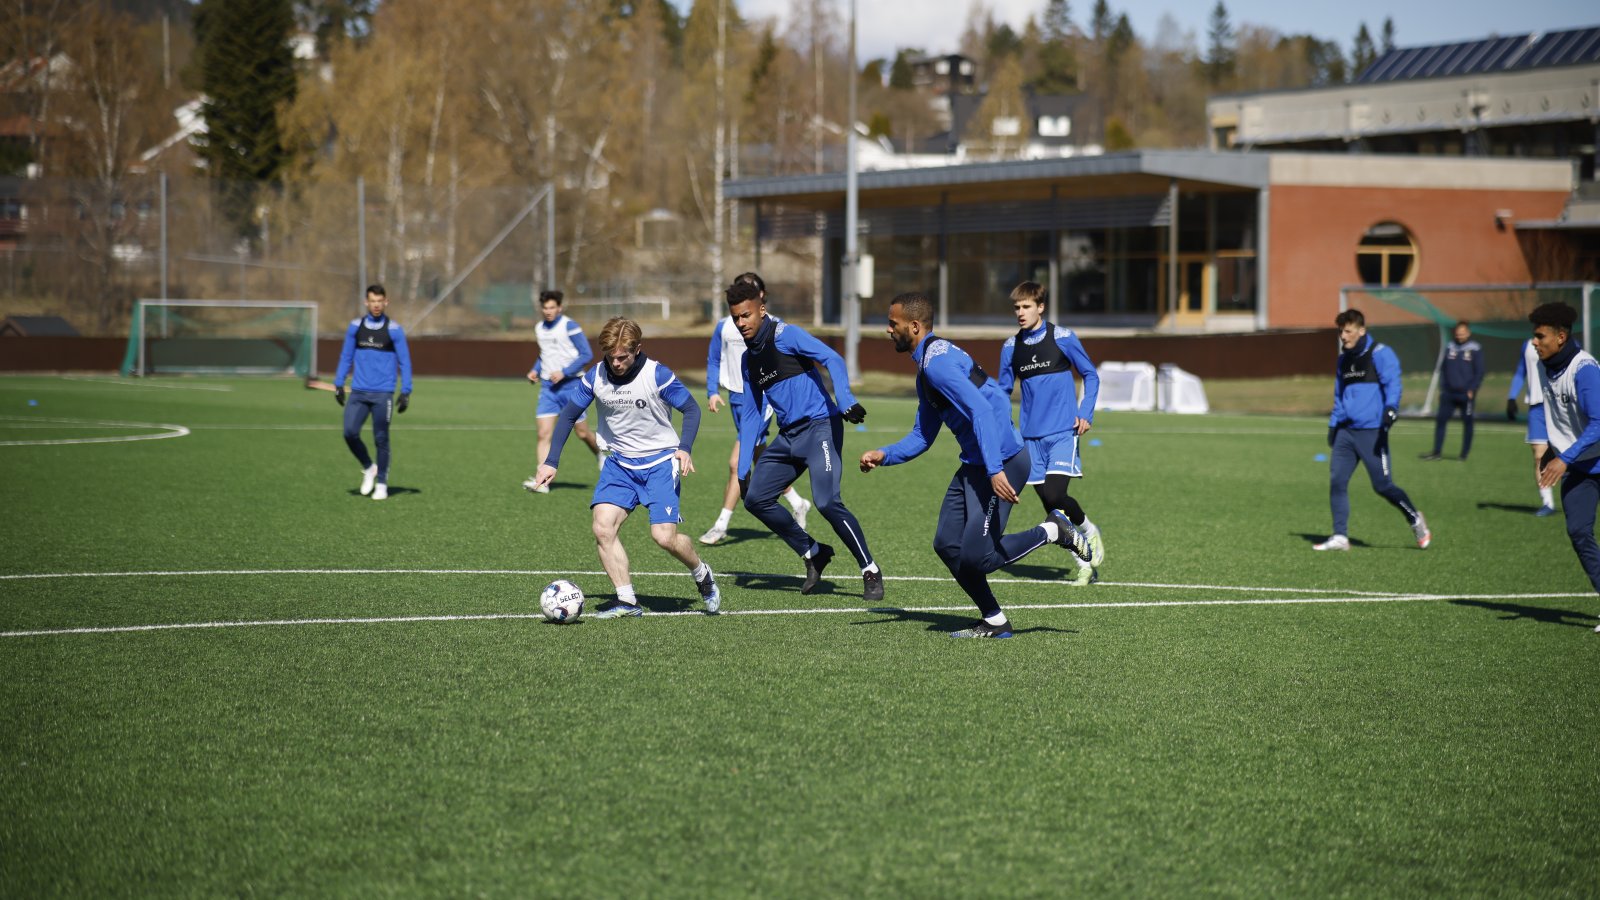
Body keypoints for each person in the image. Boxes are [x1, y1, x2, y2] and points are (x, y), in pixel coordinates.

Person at [860, 293, 1093, 639]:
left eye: (893, 324)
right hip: (977, 464)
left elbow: (981, 410)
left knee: (979, 557)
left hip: (1003, 463)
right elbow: (923, 435)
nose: (888, 330)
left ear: (914, 326)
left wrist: (995, 470)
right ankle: (995, 620)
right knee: (946, 544)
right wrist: (886, 454)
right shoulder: (928, 366)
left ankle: (1054, 531)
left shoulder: (936, 365)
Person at [530, 317, 720, 617]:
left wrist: (684, 448)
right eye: (610, 357)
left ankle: (701, 573)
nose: (616, 363)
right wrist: (550, 462)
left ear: (637, 349)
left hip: (660, 462)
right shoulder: (595, 377)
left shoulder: (657, 374)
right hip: (619, 464)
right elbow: (568, 415)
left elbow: (691, 409)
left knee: (664, 538)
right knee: (602, 527)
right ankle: (628, 600)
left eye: (623, 357)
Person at [727, 279, 884, 600]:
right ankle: (813, 552)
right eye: (735, 318)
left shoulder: (786, 335)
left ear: (761, 310)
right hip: (789, 436)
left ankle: (869, 569)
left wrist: (845, 400)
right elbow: (752, 414)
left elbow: (833, 359)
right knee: (755, 499)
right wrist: (743, 469)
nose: (741, 323)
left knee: (826, 502)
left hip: (821, 426)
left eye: (746, 315)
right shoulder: (748, 360)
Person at [997, 281, 1104, 586]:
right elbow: (1002, 392)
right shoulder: (1010, 347)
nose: (1020, 312)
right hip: (1030, 438)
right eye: (1017, 307)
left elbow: (1091, 375)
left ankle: (1089, 530)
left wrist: (1085, 413)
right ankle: (1083, 563)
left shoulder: (1063, 337)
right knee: (1051, 507)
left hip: (1062, 432)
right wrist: (1002, 428)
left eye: (1026, 306)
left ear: (1040, 307)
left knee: (1056, 494)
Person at [700, 272, 811, 544]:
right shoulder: (724, 326)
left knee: (736, 462)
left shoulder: (776, 326)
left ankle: (721, 524)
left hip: (762, 402)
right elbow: (714, 359)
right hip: (736, 399)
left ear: (762, 297)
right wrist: (712, 391)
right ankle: (797, 502)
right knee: (759, 457)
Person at [1315, 308, 1431, 551]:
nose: (1343, 336)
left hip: (1373, 432)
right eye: (1341, 331)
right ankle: (1340, 536)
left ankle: (1414, 518)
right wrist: (1333, 425)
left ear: (1361, 330)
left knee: (1383, 486)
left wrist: (1391, 409)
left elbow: (1393, 385)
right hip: (1346, 432)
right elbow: (1339, 396)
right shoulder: (1343, 360)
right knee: (1337, 481)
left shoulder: (1381, 353)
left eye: (1348, 331)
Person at [1529, 302, 1600, 633]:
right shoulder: (1546, 365)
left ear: (1560, 337)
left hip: (1583, 459)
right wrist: (1549, 450)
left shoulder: (1584, 370)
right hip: (1582, 468)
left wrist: (1564, 458)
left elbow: (1599, 422)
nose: (1534, 342)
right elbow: (1555, 412)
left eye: (1540, 336)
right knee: (1578, 531)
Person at [333, 284, 413, 501]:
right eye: (372, 301)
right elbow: (346, 356)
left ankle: (382, 483)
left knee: (381, 438)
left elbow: (405, 361)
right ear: (366, 302)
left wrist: (406, 391)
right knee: (349, 433)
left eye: (380, 301)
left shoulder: (394, 330)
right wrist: (339, 383)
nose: (376, 305)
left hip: (383, 394)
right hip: (359, 392)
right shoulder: (355, 327)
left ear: (386, 302)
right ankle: (369, 467)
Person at [524, 289, 603, 493]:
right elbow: (544, 355)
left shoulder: (569, 326)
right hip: (548, 388)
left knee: (582, 432)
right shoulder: (539, 328)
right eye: (545, 308)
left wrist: (564, 372)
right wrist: (535, 370)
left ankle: (599, 453)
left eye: (552, 307)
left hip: (571, 386)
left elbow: (586, 354)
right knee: (543, 434)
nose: (548, 311)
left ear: (559, 308)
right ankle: (543, 482)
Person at [1508, 337, 1558, 516]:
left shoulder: (1563, 341)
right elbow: (1521, 371)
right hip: (1537, 407)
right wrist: (1511, 397)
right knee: (1539, 456)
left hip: (1561, 406)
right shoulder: (1527, 345)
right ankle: (1547, 503)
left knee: (1574, 455)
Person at [1422, 321, 1485, 461]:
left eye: (1462, 333)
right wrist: (1443, 387)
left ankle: (1464, 454)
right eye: (1458, 333)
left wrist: (1472, 388)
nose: (1460, 336)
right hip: (1449, 393)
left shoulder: (1475, 348)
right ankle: (1437, 452)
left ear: (1468, 333)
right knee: (1441, 421)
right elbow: (1443, 369)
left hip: (1466, 394)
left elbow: (1479, 372)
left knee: (1467, 422)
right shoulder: (1450, 346)